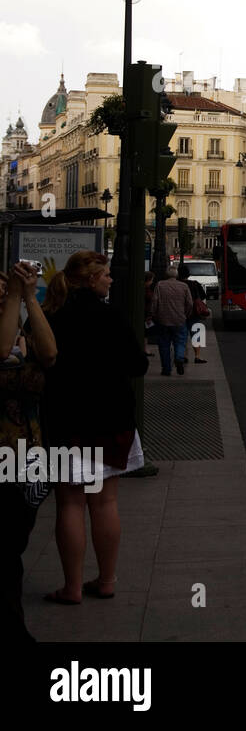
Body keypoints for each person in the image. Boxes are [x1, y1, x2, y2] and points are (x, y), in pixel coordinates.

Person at [41, 251, 150, 602]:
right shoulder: (112, 316)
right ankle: (105, 581)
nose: (111, 279)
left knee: (70, 505)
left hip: (66, 421)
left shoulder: (51, 316)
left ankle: (72, 588)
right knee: (104, 504)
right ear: (91, 279)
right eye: (105, 275)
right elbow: (138, 366)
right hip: (111, 419)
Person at [1, 262, 57, 640]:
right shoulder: (7, 334)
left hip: (27, 456)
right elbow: (0, 350)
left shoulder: (21, 328)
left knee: (13, 548)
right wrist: (12, 299)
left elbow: (50, 354)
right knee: (5, 556)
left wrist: (31, 298)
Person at [151, 267, 194, 375]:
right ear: (176, 275)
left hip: (163, 320)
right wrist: (186, 314)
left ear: (166, 275)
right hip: (179, 319)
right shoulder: (184, 286)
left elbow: (154, 302)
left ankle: (166, 369)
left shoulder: (160, 285)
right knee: (180, 341)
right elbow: (190, 303)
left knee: (164, 345)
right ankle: (179, 358)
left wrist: (154, 315)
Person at [178, 264, 208, 365]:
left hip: (180, 313)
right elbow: (203, 296)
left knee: (183, 335)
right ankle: (197, 356)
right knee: (196, 335)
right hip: (194, 313)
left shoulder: (177, 284)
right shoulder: (194, 284)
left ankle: (184, 356)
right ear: (188, 274)